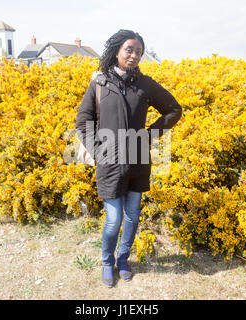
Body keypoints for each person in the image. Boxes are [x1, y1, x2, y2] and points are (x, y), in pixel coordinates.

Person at [76, 29, 182, 287]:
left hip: (137, 159)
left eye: (139, 52)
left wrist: (150, 135)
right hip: (109, 162)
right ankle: (106, 261)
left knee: (133, 216)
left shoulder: (145, 84)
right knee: (114, 218)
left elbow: (174, 109)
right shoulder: (99, 83)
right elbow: (83, 121)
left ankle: (123, 259)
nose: (134, 56)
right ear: (117, 51)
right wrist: (97, 150)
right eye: (129, 50)